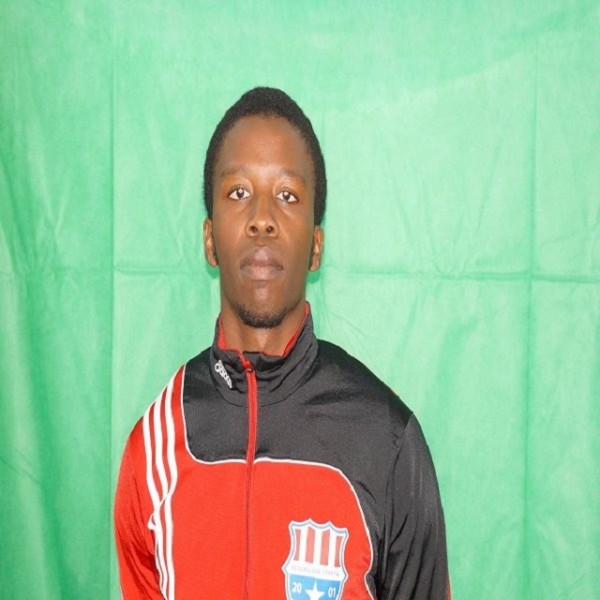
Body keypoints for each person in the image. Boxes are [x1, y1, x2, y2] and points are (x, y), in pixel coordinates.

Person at [114, 87, 450, 600]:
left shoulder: (386, 439)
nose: (262, 218)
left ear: (316, 246)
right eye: (238, 192)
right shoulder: (153, 446)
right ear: (209, 239)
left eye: (288, 196)